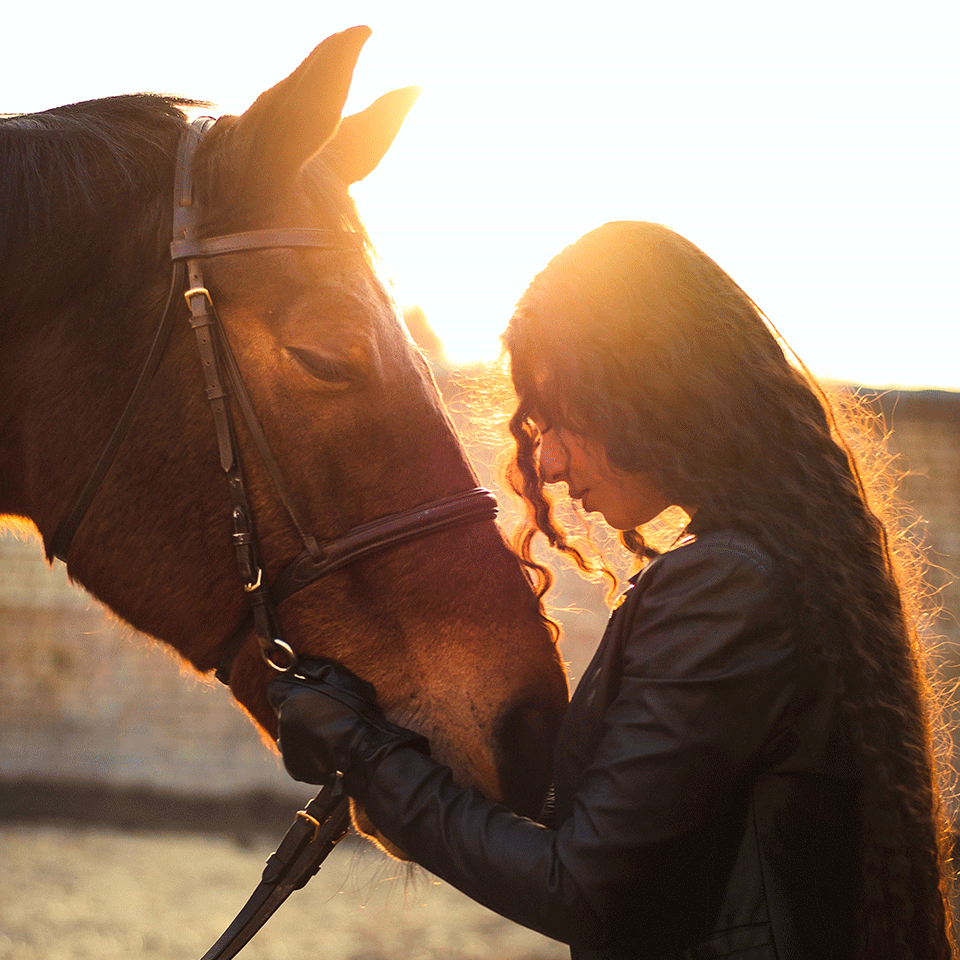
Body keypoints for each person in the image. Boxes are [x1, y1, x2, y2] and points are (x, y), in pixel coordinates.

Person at [267, 221, 957, 959]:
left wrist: (364, 753)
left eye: (564, 415)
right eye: (538, 422)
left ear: (655, 389)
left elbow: (586, 887)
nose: (549, 460)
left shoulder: (728, 588)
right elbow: (625, 832)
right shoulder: (764, 567)